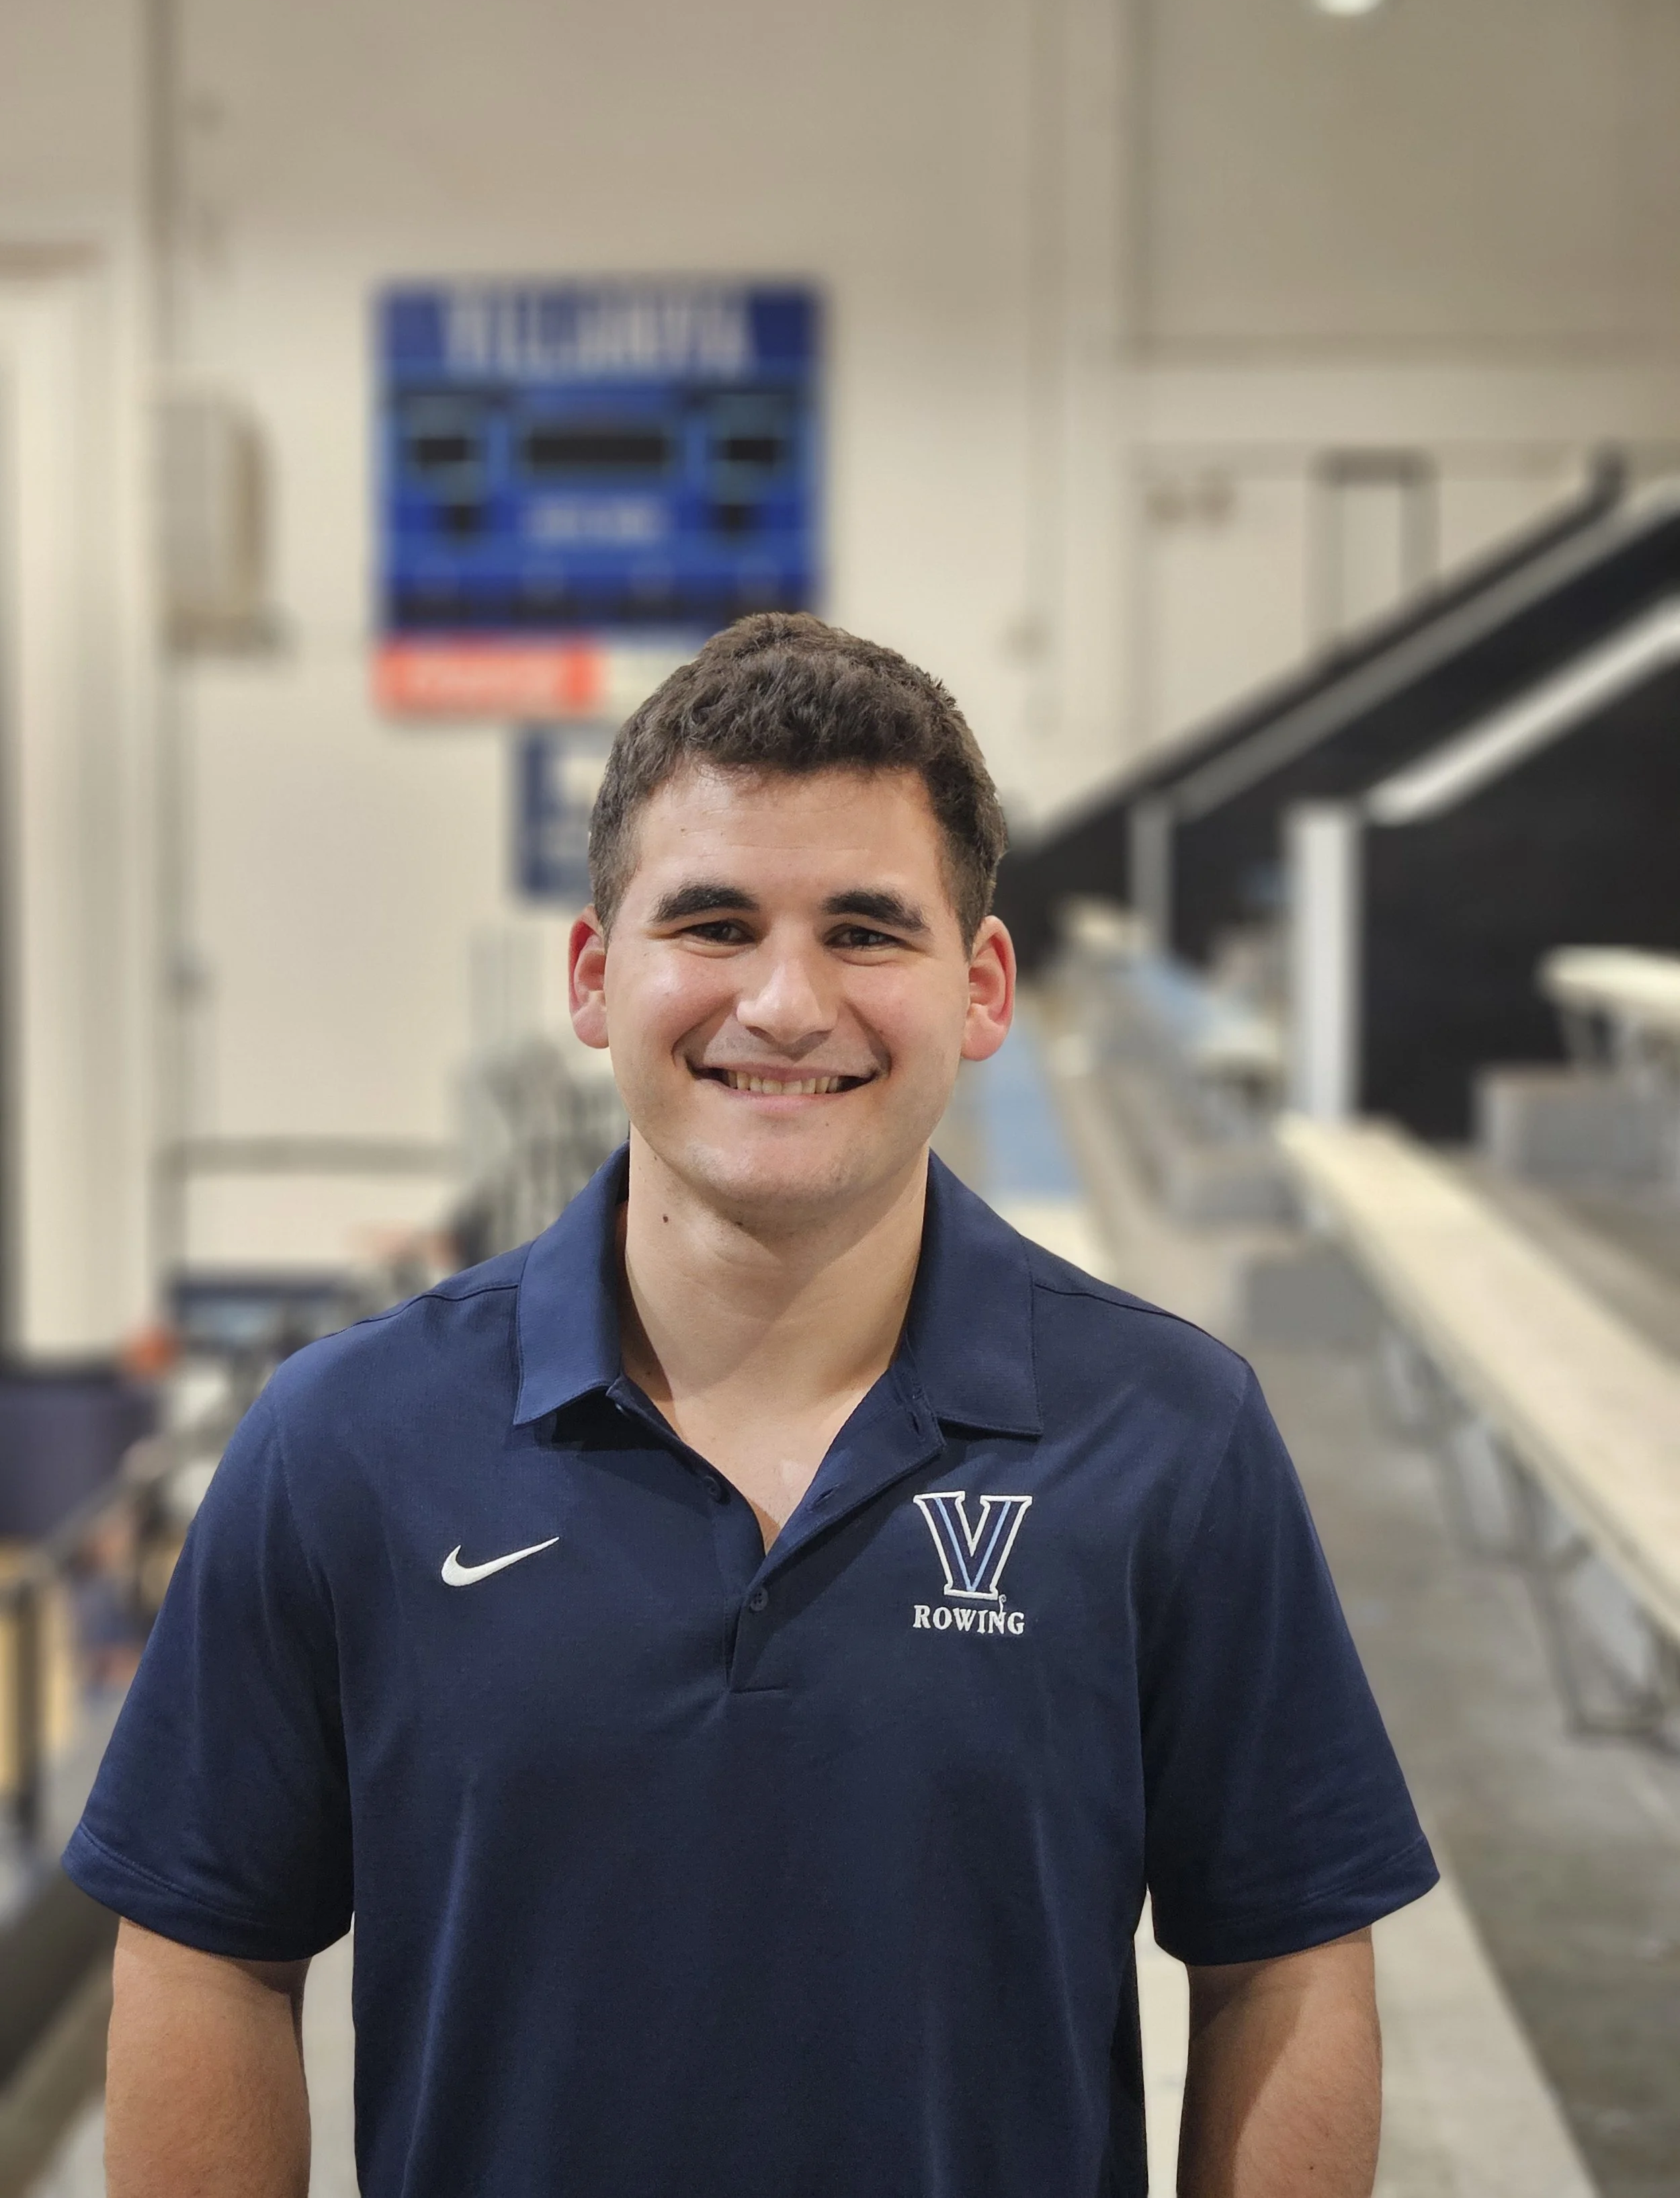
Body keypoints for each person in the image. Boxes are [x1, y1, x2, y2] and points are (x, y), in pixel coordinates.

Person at [68, 612, 1437, 2198]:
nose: (785, 1002)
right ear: (595, 976)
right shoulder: (343, 1441)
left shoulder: (1170, 1437)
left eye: (864, 930)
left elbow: (1279, 1962)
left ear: (981, 987)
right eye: (713, 923)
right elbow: (210, 1954)